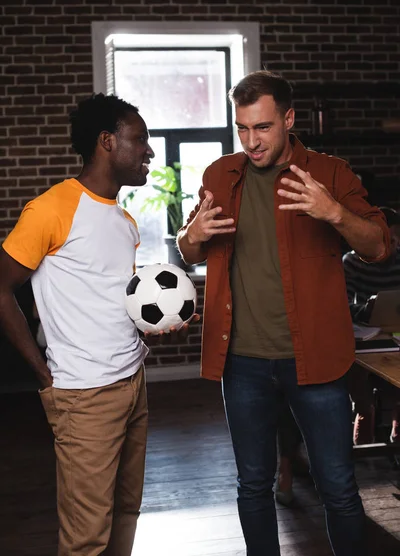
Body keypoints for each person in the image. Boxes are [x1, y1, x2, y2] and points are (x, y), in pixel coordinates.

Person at [176, 70, 390, 556]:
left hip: (315, 358)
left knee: (337, 487)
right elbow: (189, 249)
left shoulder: (330, 173)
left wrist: (334, 213)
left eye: (263, 127)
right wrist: (191, 237)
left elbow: (379, 246)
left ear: (289, 119)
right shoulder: (219, 175)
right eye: (242, 128)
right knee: (253, 486)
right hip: (243, 362)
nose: (251, 141)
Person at [0, 93, 197, 556]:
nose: (149, 151)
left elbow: (110, 303)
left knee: (126, 512)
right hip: (83, 395)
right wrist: (42, 370)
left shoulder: (125, 221)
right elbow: (2, 287)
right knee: (87, 537)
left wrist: (157, 323)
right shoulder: (50, 209)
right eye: (141, 140)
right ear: (107, 142)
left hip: (133, 383)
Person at [343, 206, 400, 444]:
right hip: (365, 333)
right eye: (386, 239)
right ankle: (364, 410)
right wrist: (367, 308)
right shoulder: (353, 262)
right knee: (353, 367)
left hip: (395, 331)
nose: (392, 245)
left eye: (395, 239)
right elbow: (341, 305)